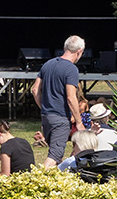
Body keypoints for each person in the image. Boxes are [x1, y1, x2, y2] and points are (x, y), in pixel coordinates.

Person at [31, 36, 85, 168]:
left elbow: (34, 90)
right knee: (54, 155)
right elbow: (71, 97)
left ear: (64, 48)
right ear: (79, 51)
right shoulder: (71, 69)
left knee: (57, 156)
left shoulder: (48, 64)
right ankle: (38, 181)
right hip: (60, 118)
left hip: (46, 117)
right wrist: (79, 122)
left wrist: (44, 108)